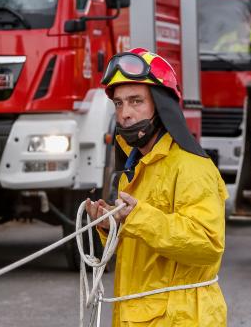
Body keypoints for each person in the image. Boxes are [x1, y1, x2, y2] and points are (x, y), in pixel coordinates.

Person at [85, 48, 228, 326]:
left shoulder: (192, 167)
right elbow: (143, 243)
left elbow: (208, 245)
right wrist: (110, 225)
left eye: (136, 101)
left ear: (162, 105)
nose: (125, 113)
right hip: (138, 317)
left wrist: (136, 217)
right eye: (118, 103)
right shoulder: (136, 167)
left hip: (181, 318)